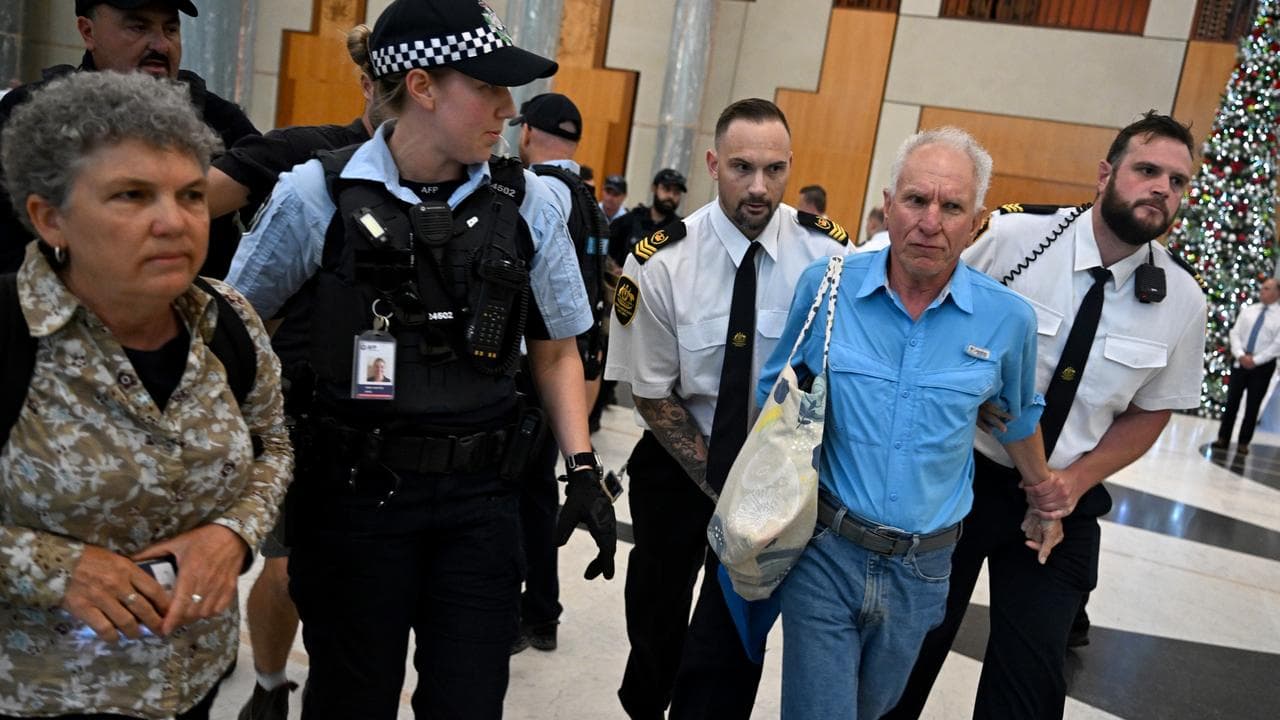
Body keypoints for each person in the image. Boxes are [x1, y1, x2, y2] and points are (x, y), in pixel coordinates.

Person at [224, 1, 616, 717]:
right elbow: (236, 329)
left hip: (478, 506)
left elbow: (556, 348)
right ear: (425, 85)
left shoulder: (529, 204)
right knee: (351, 697)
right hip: (353, 499)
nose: (507, 107)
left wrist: (582, 467)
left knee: (468, 700)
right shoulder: (317, 194)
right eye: (489, 87)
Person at [886, 111, 1206, 720]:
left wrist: (1067, 488)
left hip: (1064, 498)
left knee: (1031, 685)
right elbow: (931, 315)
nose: (1163, 188)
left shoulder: (1183, 301)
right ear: (1105, 174)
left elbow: (1151, 412)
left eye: (1178, 180)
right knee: (908, 653)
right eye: (1147, 170)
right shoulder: (1014, 238)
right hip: (959, 479)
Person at [0, 71, 290, 720]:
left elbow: (271, 444)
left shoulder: (230, 322)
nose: (174, 222)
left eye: (191, 194)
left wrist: (231, 535)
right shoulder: (9, 334)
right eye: (132, 195)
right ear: (51, 217)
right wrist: (52, 567)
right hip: (35, 692)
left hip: (190, 678)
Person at [757, 126, 1054, 720]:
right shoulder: (828, 289)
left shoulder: (1007, 321)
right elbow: (776, 394)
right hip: (826, 551)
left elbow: (1018, 417)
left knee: (876, 711)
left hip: (923, 571)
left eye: (952, 207)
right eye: (917, 200)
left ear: (978, 222)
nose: (930, 221)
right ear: (888, 205)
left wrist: (1044, 500)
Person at [604, 98, 848, 720]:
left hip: (772, 476)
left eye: (774, 169)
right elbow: (652, 395)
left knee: (738, 633)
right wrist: (720, 484)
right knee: (656, 618)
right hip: (679, 465)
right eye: (742, 167)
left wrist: (762, 492)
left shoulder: (827, 260)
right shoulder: (661, 262)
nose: (759, 187)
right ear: (713, 164)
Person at [218, 26, 389, 720]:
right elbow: (198, 209)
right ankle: (268, 686)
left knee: (355, 588)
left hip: (380, 420)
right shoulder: (306, 158)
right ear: (370, 85)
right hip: (293, 410)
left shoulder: (450, 185)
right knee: (290, 574)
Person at [0, 0, 259, 278]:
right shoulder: (30, 115)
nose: (161, 46)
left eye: (171, 29)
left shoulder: (220, 121)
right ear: (88, 32)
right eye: (138, 27)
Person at [507, 90, 610, 653]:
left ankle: (529, 611)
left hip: (533, 370)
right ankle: (542, 611)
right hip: (572, 365)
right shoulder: (586, 197)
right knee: (539, 491)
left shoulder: (540, 192)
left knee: (522, 496)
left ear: (526, 132)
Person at [1213, 277, 1280, 455]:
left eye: (1267, 288)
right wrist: (1241, 355)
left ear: (1276, 293)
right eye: (1263, 288)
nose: (1262, 291)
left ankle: (1243, 442)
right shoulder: (1249, 311)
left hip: (1263, 367)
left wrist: (1256, 360)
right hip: (1240, 362)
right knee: (1232, 402)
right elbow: (1235, 333)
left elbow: (1277, 344)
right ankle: (1223, 438)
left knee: (1253, 405)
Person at [607, 167, 687, 272]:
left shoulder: (680, 230)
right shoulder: (629, 221)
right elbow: (606, 251)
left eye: (676, 193)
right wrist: (613, 268)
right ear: (654, 188)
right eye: (666, 189)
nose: (671, 196)